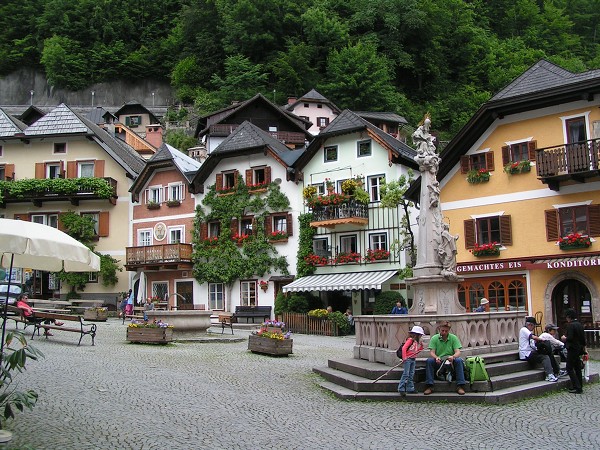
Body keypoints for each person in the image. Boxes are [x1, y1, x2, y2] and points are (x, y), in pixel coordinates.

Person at [424, 321, 467, 395]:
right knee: (429, 361)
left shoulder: (453, 338)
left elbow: (458, 352)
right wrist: (436, 357)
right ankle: (429, 385)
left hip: (450, 361)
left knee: (459, 360)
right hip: (440, 361)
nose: (444, 332)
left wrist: (453, 357)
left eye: (446, 331)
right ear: (439, 329)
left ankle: (460, 385)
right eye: (442, 330)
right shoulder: (434, 338)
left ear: (449, 330)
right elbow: (432, 352)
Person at [519, 316, 560, 382]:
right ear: (530, 325)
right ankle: (549, 375)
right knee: (545, 357)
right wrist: (542, 340)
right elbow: (534, 337)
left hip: (531, 351)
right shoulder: (524, 330)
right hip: (526, 353)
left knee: (549, 353)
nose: (534, 328)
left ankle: (557, 371)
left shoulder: (527, 331)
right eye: (534, 326)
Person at [561, 308, 587, 394]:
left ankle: (577, 386)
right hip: (579, 348)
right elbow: (583, 339)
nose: (566, 319)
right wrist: (583, 348)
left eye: (566, 317)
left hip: (572, 348)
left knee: (569, 367)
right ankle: (579, 386)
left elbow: (570, 338)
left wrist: (565, 338)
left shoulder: (571, 325)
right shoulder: (579, 324)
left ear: (569, 317)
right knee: (577, 367)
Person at [397, 326, 425, 396]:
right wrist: (404, 357)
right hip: (408, 359)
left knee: (411, 374)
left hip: (413, 358)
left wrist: (421, 347)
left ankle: (410, 388)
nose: (421, 336)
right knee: (406, 374)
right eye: (420, 335)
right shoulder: (410, 340)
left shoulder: (415, 342)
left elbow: (416, 352)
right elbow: (404, 348)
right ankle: (401, 388)